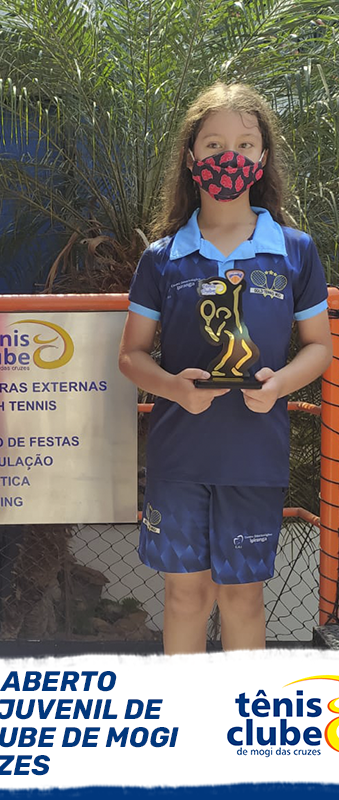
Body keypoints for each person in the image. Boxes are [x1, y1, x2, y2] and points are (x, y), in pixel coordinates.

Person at [118, 83, 332, 655]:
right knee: (185, 598)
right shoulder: (162, 257)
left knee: (243, 600)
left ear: (262, 158)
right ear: (191, 158)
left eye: (243, 144)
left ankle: (238, 712)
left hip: (253, 457)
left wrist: (281, 384)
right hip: (179, 457)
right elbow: (130, 355)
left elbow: (318, 346)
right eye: (213, 145)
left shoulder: (295, 251)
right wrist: (172, 388)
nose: (228, 157)